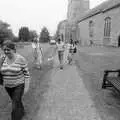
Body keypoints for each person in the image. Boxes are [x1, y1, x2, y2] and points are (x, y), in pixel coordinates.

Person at [0, 40, 31, 120]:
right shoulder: (2, 58)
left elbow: (27, 75)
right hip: (8, 86)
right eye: (4, 50)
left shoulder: (21, 59)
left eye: (8, 49)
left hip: (19, 85)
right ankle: (22, 111)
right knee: (17, 101)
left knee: (14, 105)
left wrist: (26, 87)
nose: (6, 51)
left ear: (13, 49)